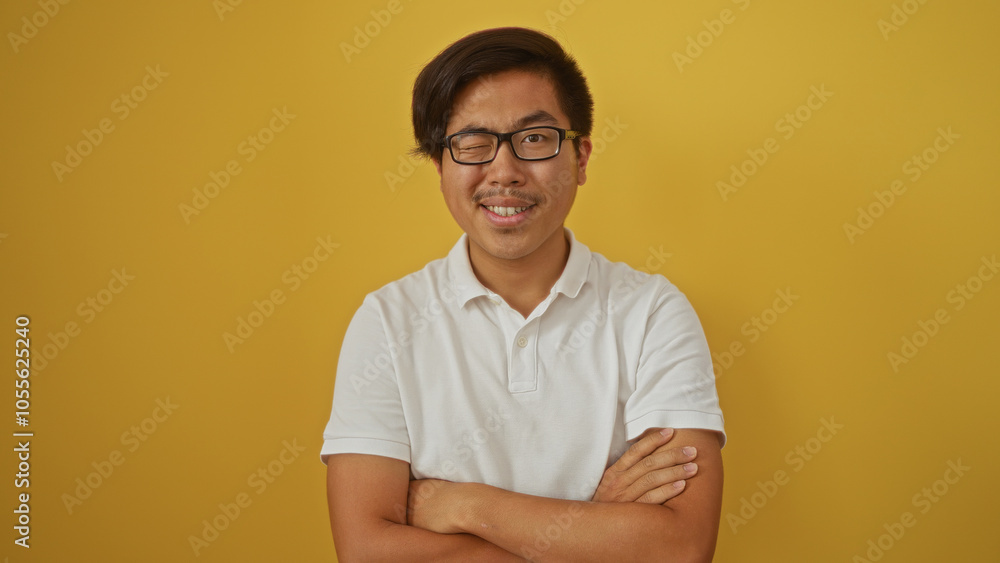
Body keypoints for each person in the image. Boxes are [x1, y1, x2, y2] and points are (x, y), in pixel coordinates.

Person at [322, 27, 726, 562]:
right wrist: (597, 528)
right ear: (440, 165)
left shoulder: (652, 311)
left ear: (580, 158)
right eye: (472, 143)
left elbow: (680, 548)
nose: (504, 172)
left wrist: (463, 504)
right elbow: (368, 551)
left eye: (534, 139)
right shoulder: (388, 322)